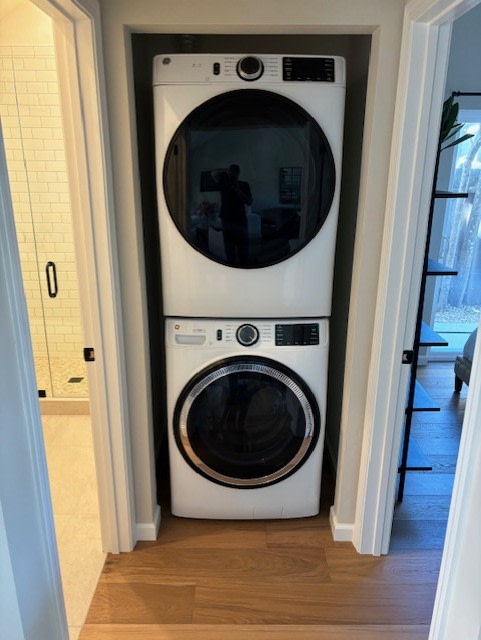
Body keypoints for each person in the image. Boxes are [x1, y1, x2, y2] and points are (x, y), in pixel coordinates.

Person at [212, 164, 253, 266]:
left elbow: (249, 202)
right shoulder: (223, 182)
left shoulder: (244, 185)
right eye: (232, 171)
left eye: (235, 171)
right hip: (226, 219)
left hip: (240, 219)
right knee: (229, 247)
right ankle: (231, 266)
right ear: (229, 172)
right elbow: (213, 174)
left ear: (239, 173)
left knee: (243, 246)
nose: (234, 173)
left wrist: (238, 190)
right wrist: (226, 170)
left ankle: (244, 266)